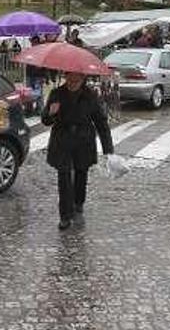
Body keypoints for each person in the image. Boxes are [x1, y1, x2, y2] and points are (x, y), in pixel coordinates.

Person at [42, 71, 114, 231]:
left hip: (83, 140)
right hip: (62, 140)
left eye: (76, 79)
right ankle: (65, 215)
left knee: (81, 172)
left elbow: (101, 123)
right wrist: (51, 113)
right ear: (65, 77)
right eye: (70, 78)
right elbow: (45, 120)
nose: (72, 81)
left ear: (82, 79)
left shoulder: (91, 95)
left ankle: (79, 202)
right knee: (64, 177)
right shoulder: (56, 94)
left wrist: (108, 149)